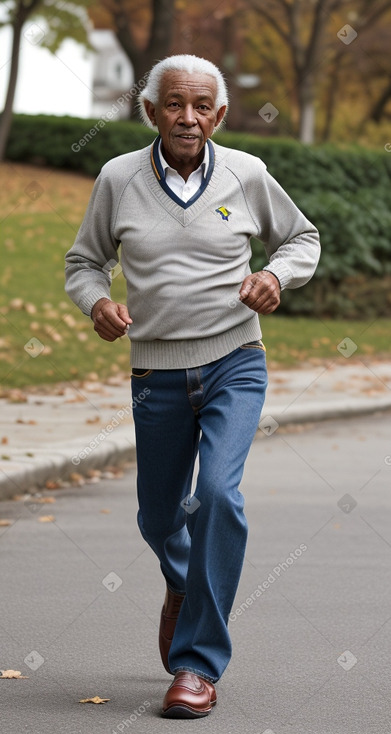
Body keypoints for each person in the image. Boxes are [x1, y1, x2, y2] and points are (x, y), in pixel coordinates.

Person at [65, 54, 320, 719]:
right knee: (158, 516)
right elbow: (84, 262)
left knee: (214, 496)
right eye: (174, 104)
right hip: (155, 370)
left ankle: (196, 665)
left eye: (201, 105)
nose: (188, 118)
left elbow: (300, 237)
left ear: (220, 114)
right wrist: (96, 303)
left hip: (234, 359)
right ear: (150, 111)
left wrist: (276, 276)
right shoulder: (117, 178)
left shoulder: (246, 173)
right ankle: (184, 583)